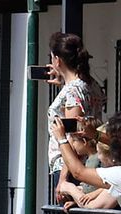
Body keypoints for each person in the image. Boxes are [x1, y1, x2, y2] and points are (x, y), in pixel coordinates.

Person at [43, 30, 106, 177]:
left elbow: (72, 135)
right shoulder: (91, 84)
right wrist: (63, 82)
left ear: (57, 60)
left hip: (69, 164)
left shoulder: (72, 91)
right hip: (89, 158)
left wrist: (63, 180)